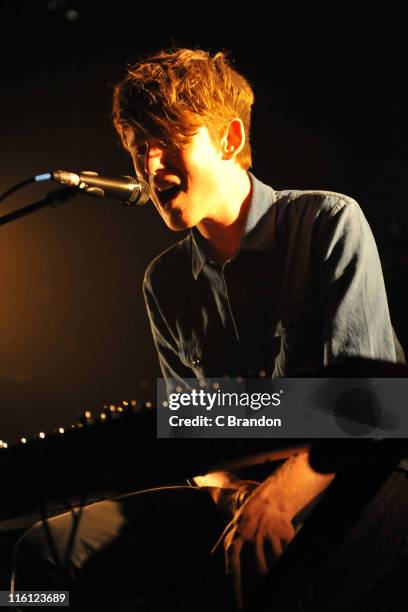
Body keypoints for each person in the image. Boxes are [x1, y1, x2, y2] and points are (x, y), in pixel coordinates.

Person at [12, 48, 407, 611]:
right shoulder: (164, 281)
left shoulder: (329, 222)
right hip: (243, 495)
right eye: (136, 147)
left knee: (268, 575)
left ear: (228, 139)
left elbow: (366, 410)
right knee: (40, 557)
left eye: (166, 139)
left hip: (359, 479)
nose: (148, 166)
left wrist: (274, 501)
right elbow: (195, 433)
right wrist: (235, 499)